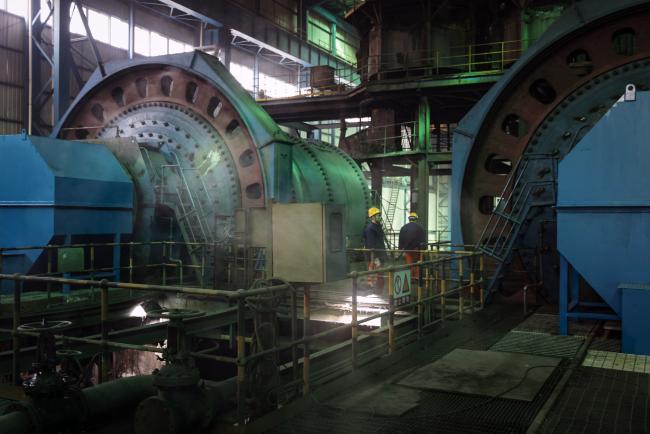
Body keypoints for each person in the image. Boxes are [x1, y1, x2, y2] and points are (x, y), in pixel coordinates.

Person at [363, 207, 387, 290]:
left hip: (380, 254)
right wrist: (375, 258)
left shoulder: (378, 226)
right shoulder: (370, 229)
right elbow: (370, 244)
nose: (380, 217)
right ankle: (372, 288)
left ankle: (377, 289)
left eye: (380, 215)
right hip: (374, 256)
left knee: (379, 274)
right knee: (374, 273)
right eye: (378, 215)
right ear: (372, 217)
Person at [399, 212, 426, 279]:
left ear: (409, 219)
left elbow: (401, 239)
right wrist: (423, 249)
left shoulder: (403, 228)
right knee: (417, 264)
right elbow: (422, 240)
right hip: (416, 250)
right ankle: (417, 278)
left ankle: (410, 279)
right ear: (416, 219)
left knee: (410, 264)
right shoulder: (420, 228)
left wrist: (401, 249)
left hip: (407, 250)